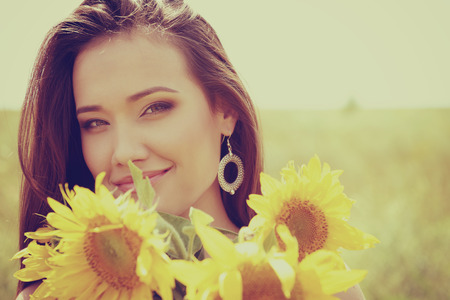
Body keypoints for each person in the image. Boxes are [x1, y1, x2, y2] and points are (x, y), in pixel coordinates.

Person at [16, 1, 364, 299]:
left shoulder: (313, 283)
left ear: (225, 110)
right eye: (94, 123)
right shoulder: (53, 291)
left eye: (155, 107)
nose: (122, 152)